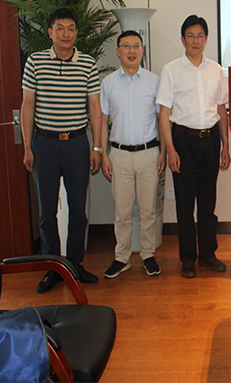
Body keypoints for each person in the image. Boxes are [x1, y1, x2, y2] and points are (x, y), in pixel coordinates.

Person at [20, 7, 102, 293]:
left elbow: (95, 108)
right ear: (50, 32)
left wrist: (96, 147)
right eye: (60, 28)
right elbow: (27, 105)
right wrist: (28, 146)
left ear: (76, 32)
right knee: (46, 212)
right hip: (44, 144)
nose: (65, 34)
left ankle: (75, 265)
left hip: (77, 144)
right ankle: (53, 268)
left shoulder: (88, 64)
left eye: (70, 28)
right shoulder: (35, 61)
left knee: (78, 210)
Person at [156, 15, 230, 279]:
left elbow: (221, 109)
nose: (195, 40)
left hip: (210, 140)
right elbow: (164, 113)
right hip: (183, 141)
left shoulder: (216, 70)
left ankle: (208, 255)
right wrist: (171, 150)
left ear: (206, 39)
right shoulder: (171, 70)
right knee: (185, 206)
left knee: (208, 203)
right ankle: (188, 258)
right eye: (190, 35)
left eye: (200, 35)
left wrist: (225, 145)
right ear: (182, 39)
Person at [100, 31, 166, 279]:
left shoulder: (154, 81)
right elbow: (103, 121)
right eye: (126, 46)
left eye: (136, 46)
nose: (131, 51)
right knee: (123, 212)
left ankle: (148, 255)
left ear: (142, 50)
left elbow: (162, 120)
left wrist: (163, 152)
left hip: (149, 153)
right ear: (118, 51)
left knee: (148, 210)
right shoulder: (108, 83)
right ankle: (122, 258)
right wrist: (104, 154)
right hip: (119, 155)